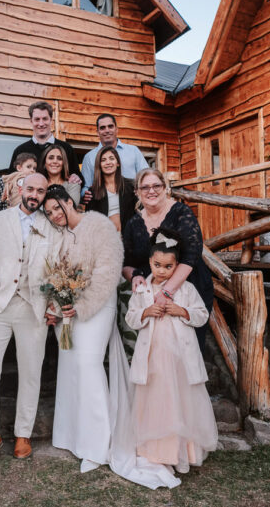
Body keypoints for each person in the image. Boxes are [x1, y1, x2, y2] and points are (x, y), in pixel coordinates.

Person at [43, 186, 180, 489]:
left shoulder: (99, 225)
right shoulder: (58, 235)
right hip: (66, 312)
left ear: (69, 201)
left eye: (57, 208)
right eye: (49, 212)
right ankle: (72, 436)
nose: (55, 215)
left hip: (95, 307)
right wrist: (56, 306)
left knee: (90, 365)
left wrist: (79, 306)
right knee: (70, 367)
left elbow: (108, 273)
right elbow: (52, 275)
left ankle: (99, 443)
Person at [0, 173, 62, 470]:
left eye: (41, 191)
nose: (35, 194)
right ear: (21, 188)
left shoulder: (51, 226)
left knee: (31, 372)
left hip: (32, 307)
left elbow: (55, 271)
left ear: (45, 194)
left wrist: (53, 306)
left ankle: (23, 434)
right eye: (31, 188)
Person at [126, 227, 216, 472]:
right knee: (156, 402)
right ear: (150, 263)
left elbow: (201, 315)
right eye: (157, 265)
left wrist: (182, 311)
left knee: (180, 402)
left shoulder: (185, 289)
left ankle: (182, 451)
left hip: (179, 360)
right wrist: (145, 312)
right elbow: (131, 318)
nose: (163, 271)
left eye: (168, 267)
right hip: (153, 358)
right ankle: (155, 451)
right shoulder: (143, 289)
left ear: (177, 266)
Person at [122, 169, 214, 353]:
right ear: (137, 192)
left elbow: (191, 255)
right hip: (152, 298)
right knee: (158, 352)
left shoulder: (181, 212)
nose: (151, 191)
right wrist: (134, 277)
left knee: (188, 351)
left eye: (156, 185)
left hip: (188, 288)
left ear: (165, 188)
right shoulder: (133, 223)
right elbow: (126, 263)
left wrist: (167, 292)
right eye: (145, 187)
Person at [9, 101, 83, 185]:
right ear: (31, 121)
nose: (41, 123)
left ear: (51, 120)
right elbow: (11, 180)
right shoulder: (20, 151)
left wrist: (76, 177)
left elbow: (79, 177)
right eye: (37, 119)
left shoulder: (66, 148)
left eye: (45, 119)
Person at [81, 114, 149, 201]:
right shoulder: (89, 157)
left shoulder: (133, 151)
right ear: (97, 132)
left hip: (133, 202)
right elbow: (85, 186)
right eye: (102, 128)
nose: (107, 130)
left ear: (116, 129)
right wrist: (84, 194)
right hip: (103, 205)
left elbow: (146, 176)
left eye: (110, 126)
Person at [85, 146, 137, 232]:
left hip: (129, 237)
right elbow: (90, 221)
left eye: (111, 158)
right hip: (105, 239)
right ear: (99, 165)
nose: (108, 162)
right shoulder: (93, 191)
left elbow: (138, 213)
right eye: (103, 160)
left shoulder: (130, 186)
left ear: (118, 163)